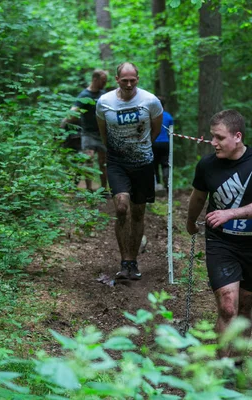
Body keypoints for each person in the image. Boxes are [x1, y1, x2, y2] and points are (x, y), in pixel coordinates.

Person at [186, 109, 252, 357]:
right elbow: (198, 197)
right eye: (212, 137)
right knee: (228, 307)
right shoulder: (207, 165)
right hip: (221, 244)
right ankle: (221, 369)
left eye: (219, 138)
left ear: (237, 136)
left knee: (244, 309)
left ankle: (237, 361)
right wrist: (190, 221)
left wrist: (230, 213)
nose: (213, 143)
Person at [96, 62, 163, 280]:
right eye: (124, 80)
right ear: (116, 79)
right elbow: (103, 132)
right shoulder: (105, 102)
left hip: (143, 163)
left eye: (132, 80)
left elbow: (155, 130)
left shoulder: (150, 101)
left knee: (138, 212)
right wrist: (115, 152)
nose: (128, 84)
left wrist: (141, 148)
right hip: (117, 163)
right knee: (122, 207)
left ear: (138, 78)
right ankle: (124, 261)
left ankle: (133, 262)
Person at [60, 69, 109, 191]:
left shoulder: (103, 95)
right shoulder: (84, 95)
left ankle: (104, 189)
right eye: (103, 81)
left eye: (106, 81)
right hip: (88, 133)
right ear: (95, 79)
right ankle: (89, 189)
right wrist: (62, 126)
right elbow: (72, 112)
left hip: (102, 133)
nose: (105, 84)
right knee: (89, 160)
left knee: (103, 162)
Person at [152, 97, 173, 191]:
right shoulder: (168, 116)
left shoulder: (152, 116)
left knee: (154, 164)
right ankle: (167, 183)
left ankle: (157, 185)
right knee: (165, 164)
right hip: (165, 143)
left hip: (154, 142)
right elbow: (172, 131)